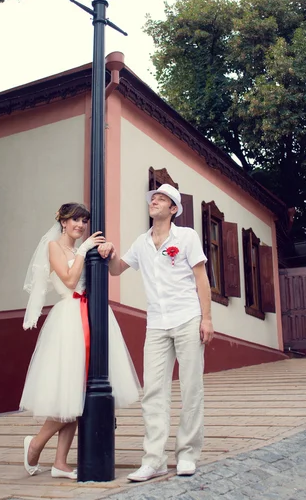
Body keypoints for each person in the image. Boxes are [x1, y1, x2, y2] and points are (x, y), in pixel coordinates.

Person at [98, 184, 214, 482]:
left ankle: (187, 454)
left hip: (188, 317)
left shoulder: (186, 237)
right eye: (153, 199)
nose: (155, 202)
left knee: (191, 387)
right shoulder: (141, 242)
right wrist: (108, 252)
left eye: (161, 199)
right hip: (157, 324)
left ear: (173, 209)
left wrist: (207, 319)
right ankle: (154, 460)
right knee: (153, 391)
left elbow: (201, 280)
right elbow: (116, 270)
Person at [20, 202, 140, 479]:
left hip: (91, 314)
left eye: (84, 221)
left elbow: (104, 272)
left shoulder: (79, 250)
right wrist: (85, 250)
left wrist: (103, 251)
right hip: (70, 318)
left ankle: (60, 463)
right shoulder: (54, 247)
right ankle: (36, 444)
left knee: (80, 394)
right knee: (70, 392)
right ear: (63, 222)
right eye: (76, 220)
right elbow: (70, 281)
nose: (81, 225)